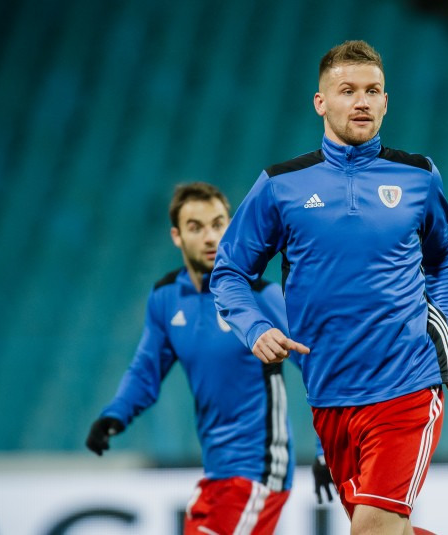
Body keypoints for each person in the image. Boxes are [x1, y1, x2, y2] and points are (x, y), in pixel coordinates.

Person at [210, 41, 448, 535]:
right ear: (320, 101)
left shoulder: (418, 176)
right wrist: (254, 328)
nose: (362, 102)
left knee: (372, 528)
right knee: (388, 530)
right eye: (347, 90)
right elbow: (229, 273)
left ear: (386, 101)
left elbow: (445, 261)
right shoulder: (280, 185)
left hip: (407, 384)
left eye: (373, 91)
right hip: (329, 395)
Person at [85, 182, 334, 535]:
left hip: (260, 468)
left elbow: (318, 366)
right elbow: (146, 370)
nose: (210, 237)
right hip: (216, 472)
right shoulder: (166, 298)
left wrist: (328, 450)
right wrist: (114, 415)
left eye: (218, 224)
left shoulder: (260, 297)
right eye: (196, 227)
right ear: (176, 236)